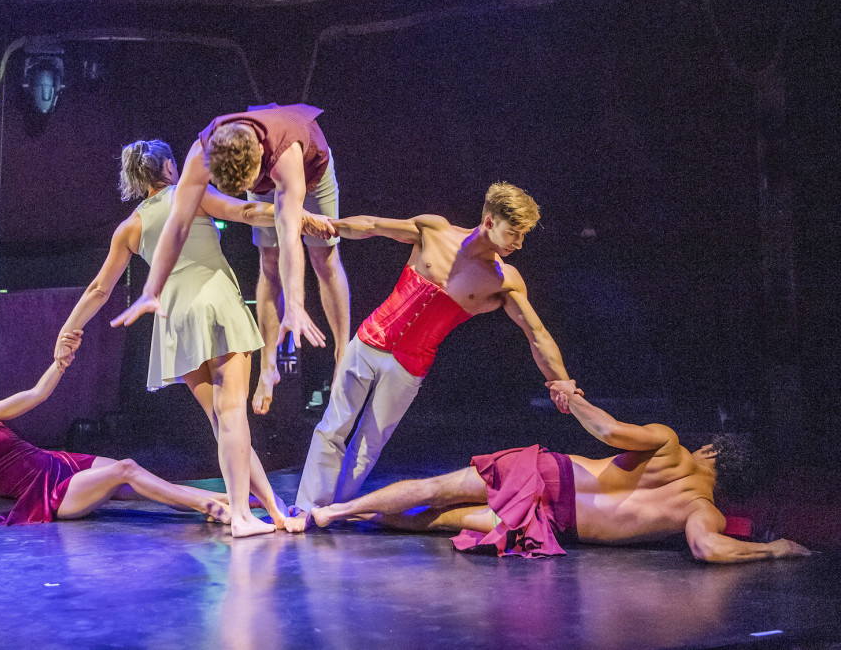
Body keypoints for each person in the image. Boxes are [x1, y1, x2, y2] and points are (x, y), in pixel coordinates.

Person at [54, 139, 333, 537]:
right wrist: (296, 217)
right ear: (169, 167)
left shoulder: (129, 226)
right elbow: (248, 210)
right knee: (233, 416)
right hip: (213, 304)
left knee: (225, 426)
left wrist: (69, 328)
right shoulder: (193, 194)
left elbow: (99, 288)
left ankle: (272, 509)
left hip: (175, 321)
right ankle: (240, 515)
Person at [285, 181, 577, 531]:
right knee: (333, 426)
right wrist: (328, 226)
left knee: (368, 445)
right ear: (488, 221)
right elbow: (374, 225)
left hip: (409, 367)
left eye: (523, 235)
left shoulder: (504, 280)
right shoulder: (434, 229)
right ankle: (306, 507)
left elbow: (537, 334)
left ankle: (334, 509)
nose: (518, 243)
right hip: (369, 341)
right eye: (513, 232)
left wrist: (559, 380)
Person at [311, 379, 813, 563]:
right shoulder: (704, 513)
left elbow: (611, 431)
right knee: (442, 522)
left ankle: (337, 512)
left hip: (550, 477)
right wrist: (774, 549)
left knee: (435, 490)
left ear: (715, 451)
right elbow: (708, 549)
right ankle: (351, 519)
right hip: (555, 524)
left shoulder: (670, 444)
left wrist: (574, 401)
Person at [113, 104, 350, 415]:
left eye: (249, 184)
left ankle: (342, 354)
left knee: (323, 256)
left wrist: (295, 304)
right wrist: (151, 290)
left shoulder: (285, 158)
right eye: (245, 188)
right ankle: (269, 366)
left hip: (311, 170)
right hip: (264, 166)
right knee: (268, 259)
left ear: (257, 165)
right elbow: (177, 224)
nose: (250, 191)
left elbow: (291, 235)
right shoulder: (202, 152)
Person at [0, 333, 234, 526]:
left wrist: (60, 362)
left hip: (63, 464)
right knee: (126, 469)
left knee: (141, 487)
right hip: (50, 497)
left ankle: (244, 503)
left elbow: (38, 394)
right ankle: (211, 507)